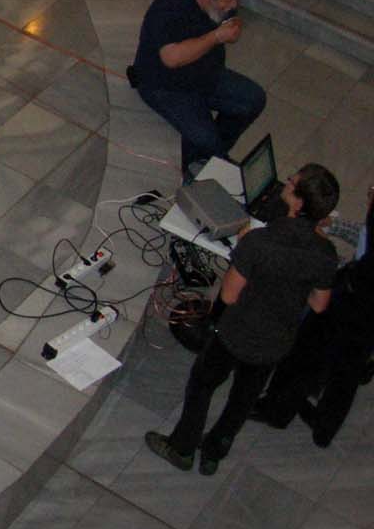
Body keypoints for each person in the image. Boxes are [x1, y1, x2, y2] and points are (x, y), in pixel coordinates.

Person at [146, 164, 340, 477]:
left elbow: (229, 295)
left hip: (236, 333)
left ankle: (182, 447)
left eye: (291, 182)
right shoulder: (326, 253)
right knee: (242, 400)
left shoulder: (258, 241)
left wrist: (245, 248)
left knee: (202, 384)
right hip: (275, 342)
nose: (287, 182)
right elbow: (319, 304)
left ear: (298, 201)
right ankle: (214, 452)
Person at [254, 182, 374, 447]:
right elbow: (363, 237)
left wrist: (322, 249)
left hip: (352, 306)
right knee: (347, 371)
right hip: (363, 318)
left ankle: (277, 409)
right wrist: (334, 227)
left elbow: (358, 275)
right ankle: (324, 429)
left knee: (305, 352)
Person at [130, 0, 266, 179]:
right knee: (206, 140)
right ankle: (203, 160)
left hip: (206, 74)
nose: (232, 6)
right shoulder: (170, 7)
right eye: (227, 2)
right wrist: (216, 37)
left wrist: (234, 26)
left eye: (235, 1)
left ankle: (211, 156)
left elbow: (232, 20)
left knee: (253, 100)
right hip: (167, 86)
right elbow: (171, 58)